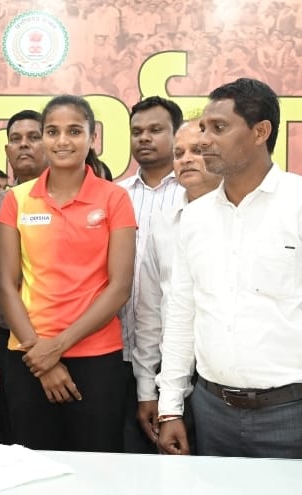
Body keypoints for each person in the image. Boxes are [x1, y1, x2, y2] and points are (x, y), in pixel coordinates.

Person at [157, 78, 302, 459]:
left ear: (260, 132)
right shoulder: (194, 217)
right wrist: (170, 407)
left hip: (291, 413)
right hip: (212, 412)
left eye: (218, 128)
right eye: (204, 128)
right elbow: (181, 314)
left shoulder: (297, 203)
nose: (204, 140)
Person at [0, 95, 136, 452]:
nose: (62, 141)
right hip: (28, 354)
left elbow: (119, 287)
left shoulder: (114, 199)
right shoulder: (17, 199)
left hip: (96, 357)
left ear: (92, 138)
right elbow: (7, 285)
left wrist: (56, 347)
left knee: (98, 467)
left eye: (74, 131)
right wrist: (41, 357)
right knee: (32, 465)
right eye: (52, 131)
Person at [133, 118, 221, 448]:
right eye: (179, 153)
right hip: (172, 378)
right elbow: (149, 313)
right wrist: (146, 388)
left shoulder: (247, 219)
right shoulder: (164, 223)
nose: (186, 159)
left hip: (225, 379)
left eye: (197, 150)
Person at [0, 109, 48, 444]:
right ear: (7, 150)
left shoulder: (77, 202)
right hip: (7, 340)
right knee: (16, 437)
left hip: (66, 336)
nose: (24, 145)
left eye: (34, 137)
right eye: (16, 139)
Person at [117, 95, 185, 453]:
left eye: (155, 130)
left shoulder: (194, 192)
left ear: (177, 134)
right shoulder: (115, 196)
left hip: (181, 358)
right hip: (119, 353)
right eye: (136, 131)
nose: (144, 138)